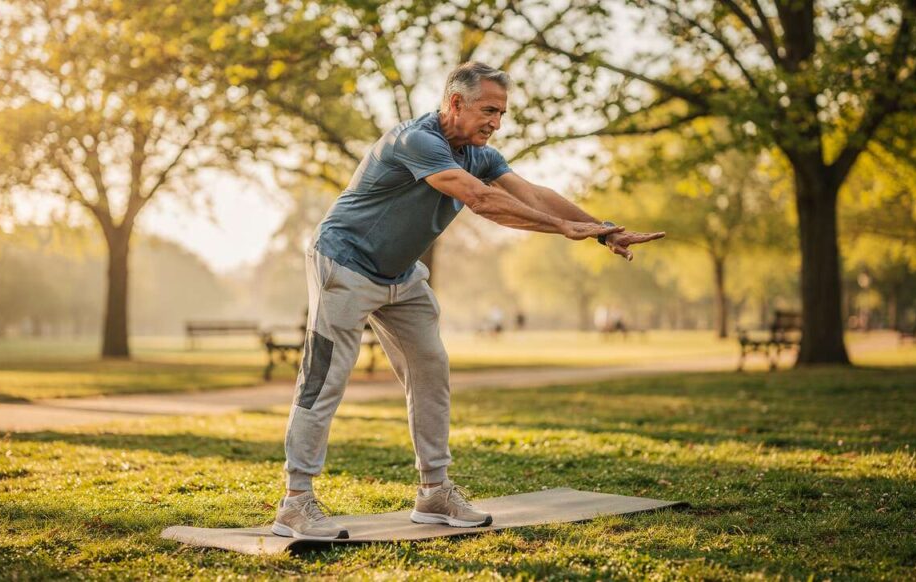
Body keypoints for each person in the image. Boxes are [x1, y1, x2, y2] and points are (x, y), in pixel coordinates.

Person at [272, 61, 665, 540]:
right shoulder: (416, 141)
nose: (496, 122)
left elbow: (532, 195)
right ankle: (295, 502)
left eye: (501, 113)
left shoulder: (479, 153)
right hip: (344, 264)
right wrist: (564, 229)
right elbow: (481, 201)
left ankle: (433, 492)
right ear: (455, 103)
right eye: (488, 110)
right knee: (325, 377)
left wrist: (602, 231)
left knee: (431, 369)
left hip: (401, 275)